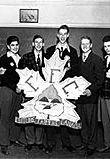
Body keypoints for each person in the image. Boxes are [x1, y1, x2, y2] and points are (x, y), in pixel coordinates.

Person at [44, 24, 79, 154]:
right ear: (57, 35)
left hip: (66, 89)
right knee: (51, 115)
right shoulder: (50, 50)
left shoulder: (73, 52)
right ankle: (50, 143)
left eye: (65, 34)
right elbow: (45, 70)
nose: (63, 36)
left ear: (68, 35)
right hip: (52, 88)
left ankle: (67, 143)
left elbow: (76, 71)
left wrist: (67, 68)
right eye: (61, 34)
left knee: (65, 115)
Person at [76, 36, 104, 156]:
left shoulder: (97, 59)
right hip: (79, 98)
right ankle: (85, 142)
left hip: (91, 97)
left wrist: (91, 91)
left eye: (87, 44)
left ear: (91, 45)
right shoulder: (77, 60)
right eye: (83, 44)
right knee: (82, 121)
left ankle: (92, 145)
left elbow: (100, 80)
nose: (85, 46)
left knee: (92, 123)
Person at [0, 36, 25, 155]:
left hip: (18, 91)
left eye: (17, 45)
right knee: (5, 116)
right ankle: (4, 143)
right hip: (6, 90)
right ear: (8, 46)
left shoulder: (21, 59)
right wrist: (15, 87)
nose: (15, 47)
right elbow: (1, 77)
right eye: (12, 45)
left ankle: (13, 139)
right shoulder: (4, 59)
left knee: (16, 115)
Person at [18, 34, 46, 152]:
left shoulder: (47, 58)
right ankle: (30, 140)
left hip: (43, 92)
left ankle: (39, 140)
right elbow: (20, 74)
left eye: (41, 42)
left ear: (43, 44)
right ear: (33, 44)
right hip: (29, 93)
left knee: (41, 116)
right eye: (36, 42)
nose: (38, 44)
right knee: (29, 116)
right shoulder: (26, 57)